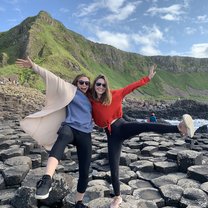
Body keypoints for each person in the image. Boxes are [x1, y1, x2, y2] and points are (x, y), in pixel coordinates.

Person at [89, 64, 195, 208]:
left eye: (103, 84)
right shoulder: (91, 99)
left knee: (145, 126)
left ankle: (179, 128)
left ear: (106, 86)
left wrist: (147, 78)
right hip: (111, 135)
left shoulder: (115, 94)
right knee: (113, 166)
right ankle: (118, 197)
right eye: (98, 84)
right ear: (94, 85)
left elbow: (131, 87)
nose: (100, 87)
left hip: (122, 126)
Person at [16, 57, 92, 208]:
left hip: (85, 134)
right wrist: (34, 66)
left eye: (86, 83)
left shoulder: (91, 98)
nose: (84, 85)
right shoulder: (70, 90)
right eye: (81, 82)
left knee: (85, 170)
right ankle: (46, 179)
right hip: (70, 128)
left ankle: (79, 202)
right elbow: (51, 77)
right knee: (62, 136)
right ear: (76, 83)